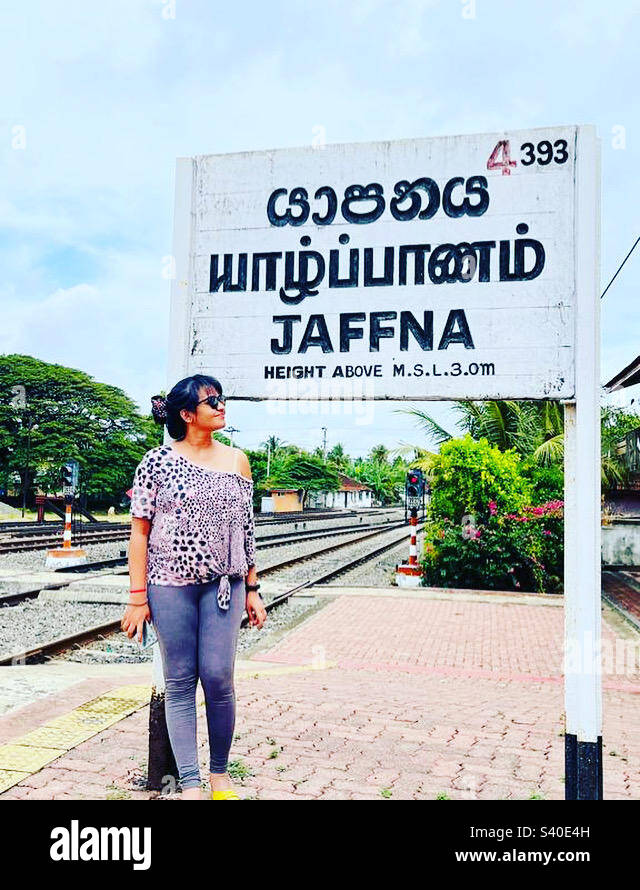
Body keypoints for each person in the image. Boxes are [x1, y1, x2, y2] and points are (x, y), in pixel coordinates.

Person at [121, 374, 267, 800]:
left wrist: (254, 588)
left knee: (219, 677)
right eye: (212, 401)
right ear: (187, 415)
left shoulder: (238, 460)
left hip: (225, 582)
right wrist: (136, 598)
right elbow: (139, 533)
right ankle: (190, 783)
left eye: (221, 399)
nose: (222, 406)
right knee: (181, 680)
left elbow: (247, 529)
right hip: (169, 584)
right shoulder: (156, 462)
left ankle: (220, 775)